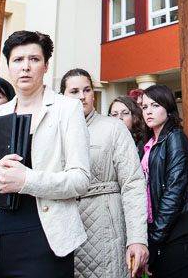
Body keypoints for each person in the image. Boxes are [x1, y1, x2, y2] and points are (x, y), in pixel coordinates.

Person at [0, 30, 90, 278]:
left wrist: (27, 180)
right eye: (18, 60)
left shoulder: (67, 109)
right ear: (9, 66)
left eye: (34, 59)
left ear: (46, 66)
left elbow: (80, 179)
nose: (25, 67)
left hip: (47, 236)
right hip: (0, 232)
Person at [61, 69, 148, 278]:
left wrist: (137, 238)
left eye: (87, 90)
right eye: (74, 91)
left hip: (106, 228)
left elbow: (133, 184)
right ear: (61, 96)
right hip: (65, 228)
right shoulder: (53, 130)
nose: (82, 96)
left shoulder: (114, 128)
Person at [141, 84, 188, 277]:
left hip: (178, 235)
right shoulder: (150, 143)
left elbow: (173, 194)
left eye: (155, 105)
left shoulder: (175, 138)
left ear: (168, 108)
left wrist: (153, 241)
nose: (148, 111)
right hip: (161, 233)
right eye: (144, 107)